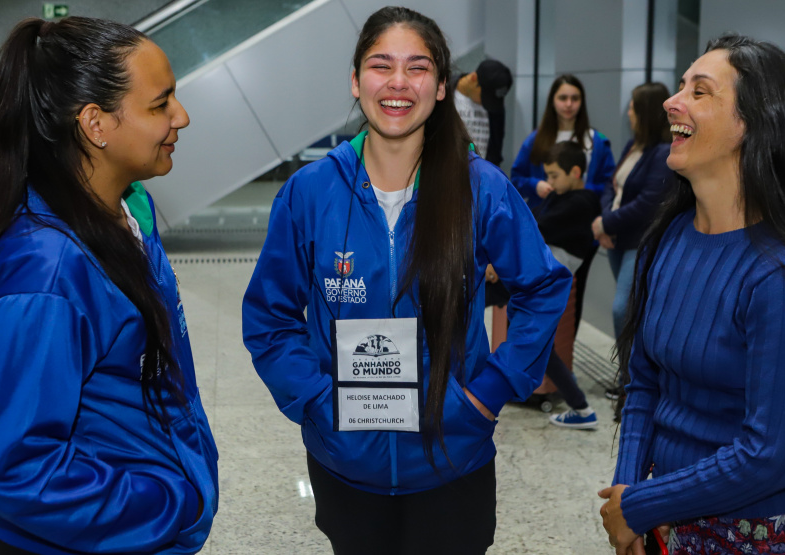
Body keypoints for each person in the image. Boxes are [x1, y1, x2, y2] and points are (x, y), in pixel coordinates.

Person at [242, 7, 571, 554]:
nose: (398, 83)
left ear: (441, 86)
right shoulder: (309, 193)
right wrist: (320, 401)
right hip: (345, 466)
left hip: (453, 463)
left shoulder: (480, 188)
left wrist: (487, 393)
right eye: (380, 65)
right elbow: (270, 317)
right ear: (355, 80)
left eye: (417, 68)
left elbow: (542, 287)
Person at [0, 17, 218, 554]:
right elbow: (13, 466)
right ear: (95, 124)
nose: (182, 117)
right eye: (160, 104)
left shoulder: (128, 213)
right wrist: (166, 503)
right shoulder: (46, 271)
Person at [599, 35, 785, 555]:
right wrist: (630, 494)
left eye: (700, 91)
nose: (673, 101)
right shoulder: (665, 240)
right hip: (671, 511)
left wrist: (643, 507)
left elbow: (768, 455)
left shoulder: (784, 274)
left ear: (750, 126)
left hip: (769, 528)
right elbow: (644, 385)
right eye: (682, 85)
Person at [591, 83, 673, 405]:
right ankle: (630, 379)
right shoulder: (633, 145)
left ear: (646, 113)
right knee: (631, 311)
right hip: (617, 239)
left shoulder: (663, 152)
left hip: (638, 242)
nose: (628, 113)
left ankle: (631, 382)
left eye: (633, 108)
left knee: (623, 308)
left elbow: (650, 202)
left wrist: (606, 222)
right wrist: (605, 219)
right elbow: (612, 186)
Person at [530, 141, 602, 429]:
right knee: (537, 344)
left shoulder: (582, 202)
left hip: (542, 281)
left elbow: (538, 225)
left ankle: (582, 408)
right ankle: (581, 408)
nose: (549, 182)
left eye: (554, 176)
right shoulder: (564, 197)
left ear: (574, 172)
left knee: (538, 343)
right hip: (538, 278)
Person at [511, 74, 616, 211]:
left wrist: (584, 188)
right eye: (563, 98)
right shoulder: (535, 139)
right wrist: (535, 185)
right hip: (543, 218)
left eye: (575, 98)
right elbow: (516, 179)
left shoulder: (597, 141)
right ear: (552, 101)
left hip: (583, 216)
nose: (569, 104)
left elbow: (609, 185)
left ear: (582, 102)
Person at [452, 58, 513, 166]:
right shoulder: (444, 94)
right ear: (473, 78)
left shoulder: (495, 107)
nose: (486, 104)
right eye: (485, 97)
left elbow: (495, 149)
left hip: (481, 177)